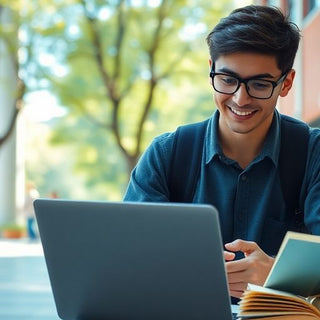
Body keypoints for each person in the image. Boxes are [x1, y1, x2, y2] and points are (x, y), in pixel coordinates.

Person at [123, 5, 320, 300]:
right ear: (211, 71)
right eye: (228, 80)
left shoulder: (312, 152)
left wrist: (278, 273)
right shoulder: (166, 155)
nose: (241, 99)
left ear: (286, 83)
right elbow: (127, 261)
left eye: (259, 84)